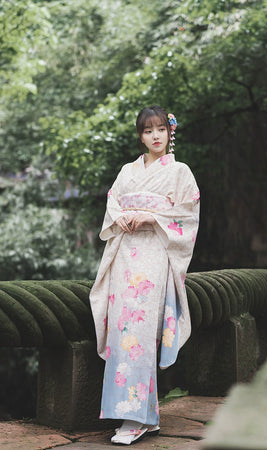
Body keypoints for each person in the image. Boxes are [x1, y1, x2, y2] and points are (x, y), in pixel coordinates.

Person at [90, 105, 200, 445]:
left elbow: (189, 213)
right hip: (125, 256)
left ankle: (134, 418)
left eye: (160, 130)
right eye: (148, 131)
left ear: (170, 133)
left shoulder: (180, 171)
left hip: (154, 256)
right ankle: (145, 417)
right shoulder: (127, 171)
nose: (155, 136)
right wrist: (120, 217)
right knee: (124, 328)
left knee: (139, 332)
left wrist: (153, 218)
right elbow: (113, 203)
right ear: (141, 136)